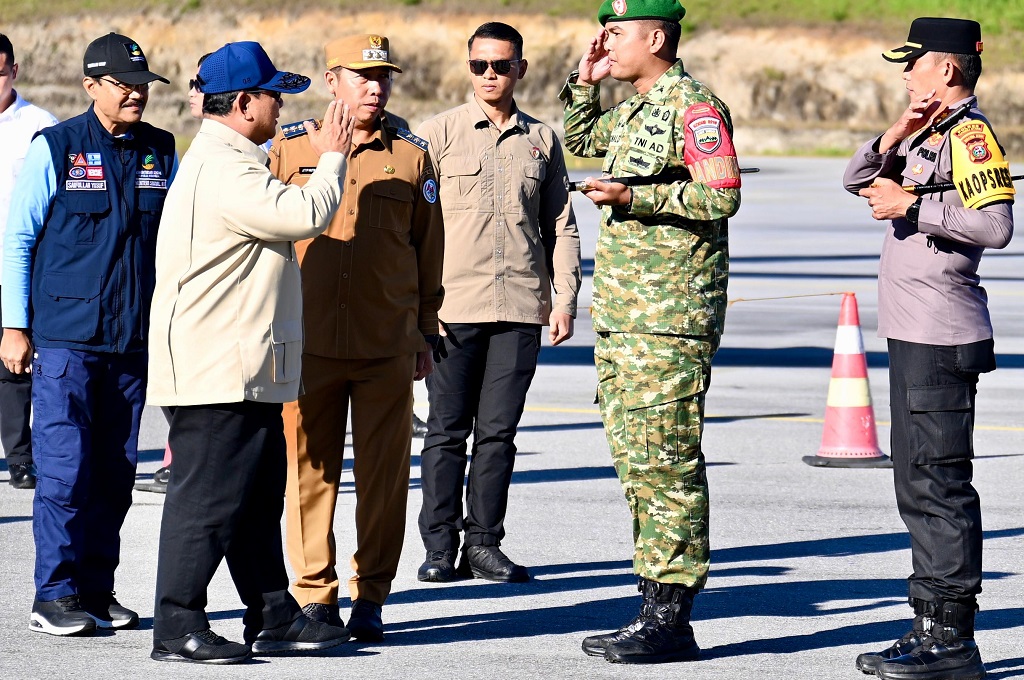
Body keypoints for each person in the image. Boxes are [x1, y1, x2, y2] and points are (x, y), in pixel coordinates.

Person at [147, 41, 355, 664]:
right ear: (243, 104)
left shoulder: (233, 159)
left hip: (244, 365)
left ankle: (273, 614)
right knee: (206, 502)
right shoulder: (224, 167)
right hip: (218, 368)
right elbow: (306, 214)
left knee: (255, 499)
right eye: (272, 94)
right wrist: (334, 158)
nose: (280, 104)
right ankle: (176, 624)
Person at [561, 0, 741, 664]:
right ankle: (651, 607)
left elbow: (721, 194)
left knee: (667, 465)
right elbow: (581, 138)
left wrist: (637, 199)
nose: (607, 40)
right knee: (638, 464)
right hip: (626, 318)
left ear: (656, 37)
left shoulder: (693, 108)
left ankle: (672, 617)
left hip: (669, 319)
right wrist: (585, 81)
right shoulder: (637, 107)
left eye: (619, 32)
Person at [844, 18, 1013, 680]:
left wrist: (912, 206)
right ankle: (928, 626)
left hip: (943, 338)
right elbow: (857, 179)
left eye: (912, 63)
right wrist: (893, 135)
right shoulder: (925, 133)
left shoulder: (970, 136)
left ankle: (953, 640)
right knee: (914, 484)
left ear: (946, 69)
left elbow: (995, 225)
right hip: (915, 334)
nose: (904, 72)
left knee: (938, 486)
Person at [270, 34, 444, 641]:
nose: (376, 86)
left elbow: (429, 250)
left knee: (384, 476)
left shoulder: (413, 155)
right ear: (331, 80)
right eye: (362, 75)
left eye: (384, 76)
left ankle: (371, 591)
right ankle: (315, 595)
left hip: (385, 343)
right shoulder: (291, 149)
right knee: (308, 472)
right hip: (308, 341)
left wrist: (426, 329)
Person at [0, 32, 175, 636]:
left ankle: (97, 589)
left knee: (115, 475)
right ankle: (54, 594)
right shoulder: (57, 146)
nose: (134, 94)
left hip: (130, 342)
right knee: (64, 471)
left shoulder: (161, 150)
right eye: (121, 84)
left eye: (142, 84)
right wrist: (14, 327)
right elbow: (18, 240)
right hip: (66, 340)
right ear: (91, 85)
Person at [415, 21, 581, 585]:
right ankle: (439, 547)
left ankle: (484, 543)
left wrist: (565, 300)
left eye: (501, 65)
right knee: (445, 431)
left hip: (519, 307)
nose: (490, 75)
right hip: (451, 308)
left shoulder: (543, 140)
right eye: (479, 65)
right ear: (469, 69)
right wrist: (416, 306)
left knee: (499, 434)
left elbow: (561, 224)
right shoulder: (436, 135)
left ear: (520, 69)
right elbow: (414, 227)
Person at [0, 33, 57, 490]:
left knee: (14, 366)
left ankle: (21, 457)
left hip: (17, 264)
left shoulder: (40, 125)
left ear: (14, 71)